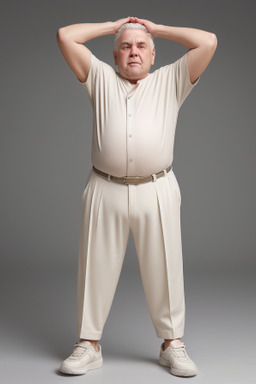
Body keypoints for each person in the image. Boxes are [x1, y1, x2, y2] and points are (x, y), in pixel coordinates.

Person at [56, 16, 217, 377]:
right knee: (94, 267)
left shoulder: (171, 81)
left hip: (156, 188)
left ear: (153, 55)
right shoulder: (99, 79)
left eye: (141, 46)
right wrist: (112, 25)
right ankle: (88, 344)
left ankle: (172, 344)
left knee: (166, 266)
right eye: (126, 47)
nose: (133, 52)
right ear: (114, 57)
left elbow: (207, 41)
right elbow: (66, 36)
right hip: (104, 186)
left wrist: (156, 29)